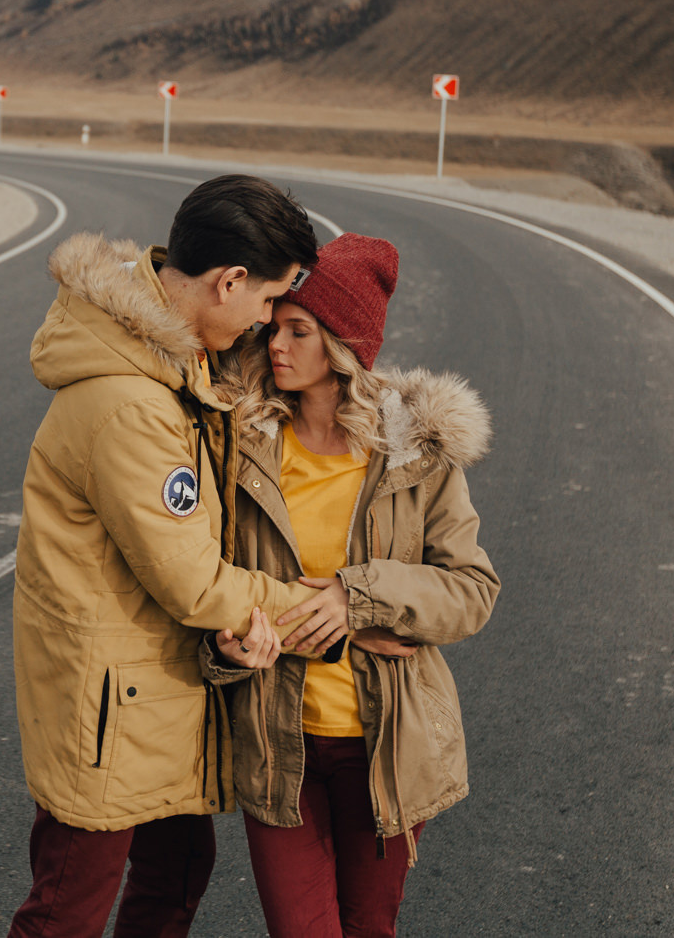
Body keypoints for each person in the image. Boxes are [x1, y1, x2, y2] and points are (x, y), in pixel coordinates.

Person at [8, 174, 350, 938]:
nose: (268, 323)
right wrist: (322, 604)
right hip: (108, 706)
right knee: (66, 909)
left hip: (148, 689)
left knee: (177, 869)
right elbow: (193, 578)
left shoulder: (176, 358)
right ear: (228, 280)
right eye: (268, 302)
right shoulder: (132, 403)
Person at [206, 232, 499, 938]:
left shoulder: (415, 456)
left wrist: (355, 597)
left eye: (298, 330)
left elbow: (471, 588)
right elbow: (209, 579)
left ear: (344, 345)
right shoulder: (242, 444)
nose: (276, 343)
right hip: (281, 744)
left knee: (369, 928)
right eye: (275, 327)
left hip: (386, 747)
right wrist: (226, 643)